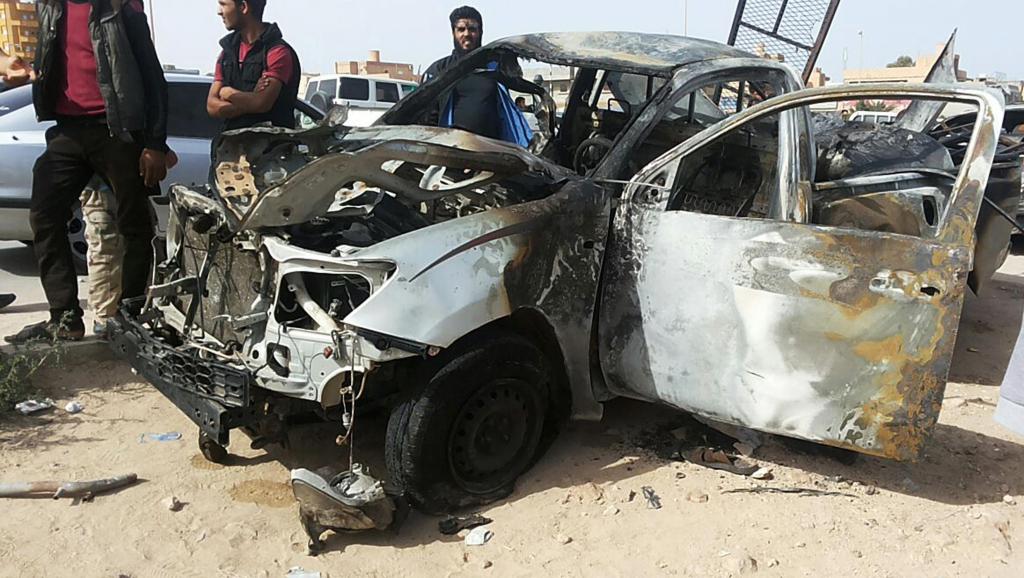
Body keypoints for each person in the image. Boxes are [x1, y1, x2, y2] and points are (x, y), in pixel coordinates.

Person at [3, 0, 169, 344]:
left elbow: (153, 76)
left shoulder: (121, 6)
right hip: (68, 130)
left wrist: (154, 143)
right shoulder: (51, 7)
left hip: (117, 130)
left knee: (135, 225)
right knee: (45, 217)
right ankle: (64, 319)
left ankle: (130, 317)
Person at [422, 6, 532, 147]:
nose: (467, 34)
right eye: (461, 29)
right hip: (452, 153)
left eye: (472, 29)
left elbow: (517, 79)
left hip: (493, 152)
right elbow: (426, 116)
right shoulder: (440, 69)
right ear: (453, 33)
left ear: (480, 32)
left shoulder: (495, 66)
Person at [207, 0, 301, 130]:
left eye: (223, 4)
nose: (219, 11)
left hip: (269, 148)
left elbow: (261, 103)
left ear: (243, 7)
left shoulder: (277, 52)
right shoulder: (226, 53)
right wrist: (249, 101)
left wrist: (227, 93)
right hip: (229, 147)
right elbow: (211, 106)